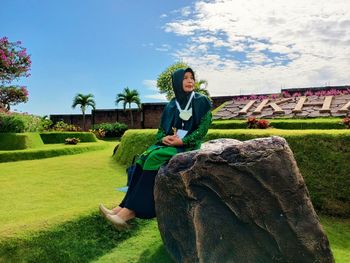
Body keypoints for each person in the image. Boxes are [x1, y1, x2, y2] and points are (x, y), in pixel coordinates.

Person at [99, 67, 212, 229]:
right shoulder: (172, 105)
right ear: (176, 82)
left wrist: (183, 141)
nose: (190, 81)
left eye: (192, 78)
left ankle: (129, 213)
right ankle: (121, 207)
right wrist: (164, 138)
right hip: (170, 143)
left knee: (154, 158)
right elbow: (160, 131)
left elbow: (203, 129)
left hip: (188, 146)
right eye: (185, 78)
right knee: (142, 158)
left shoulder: (202, 101)